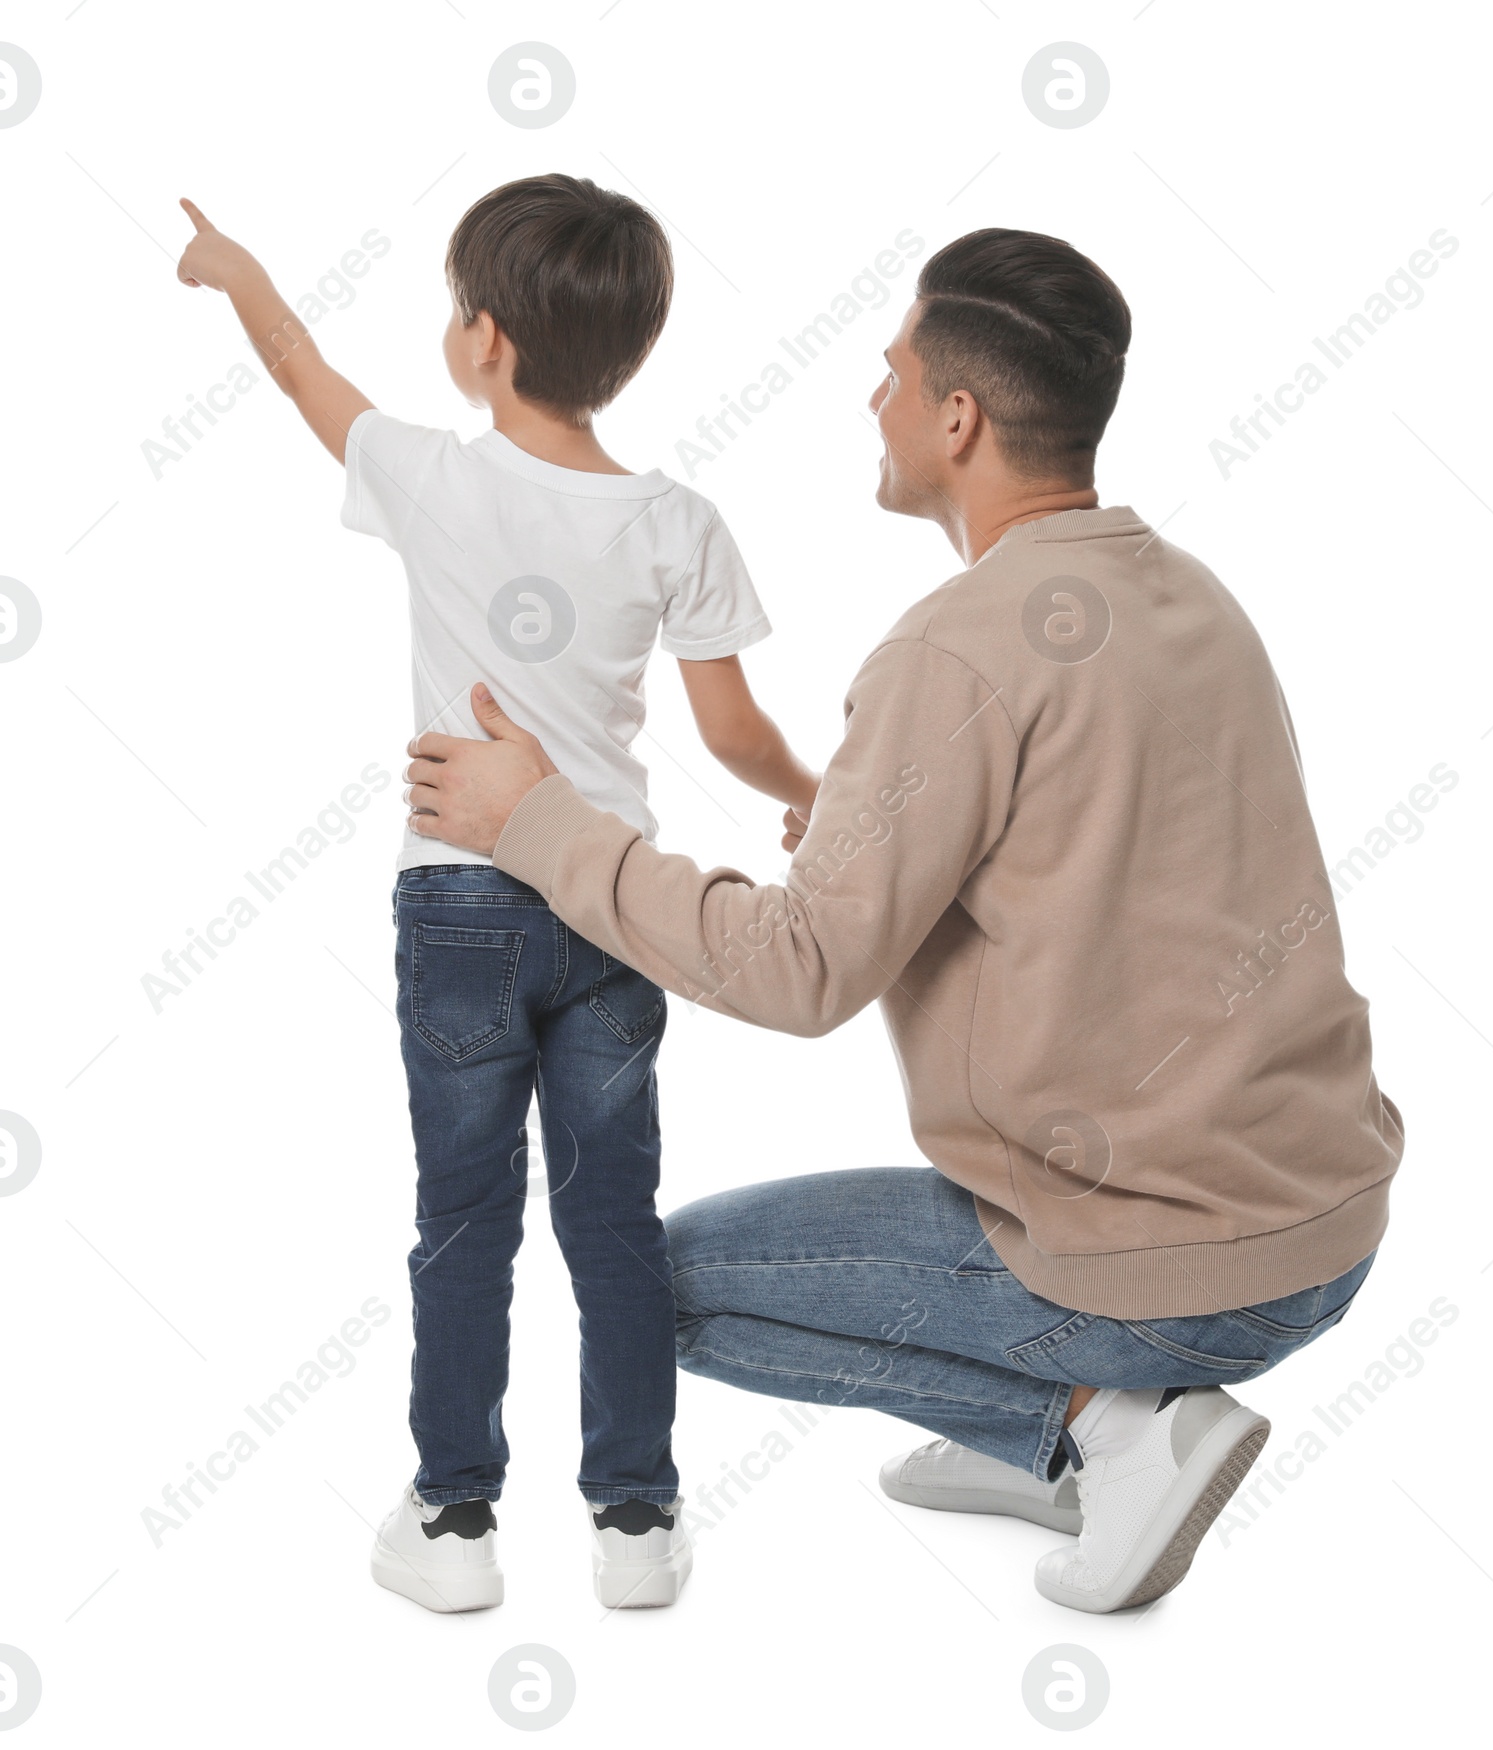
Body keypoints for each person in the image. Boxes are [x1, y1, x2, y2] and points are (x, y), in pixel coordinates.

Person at [404, 224, 1406, 1616]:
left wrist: (541, 822)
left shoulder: (959, 646)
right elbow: (1121, 870)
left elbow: (802, 969)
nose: (870, 399)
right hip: (1331, 1224)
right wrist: (887, 841)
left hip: (1159, 1259)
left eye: (889, 373)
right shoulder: (1194, 597)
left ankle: (1107, 1427)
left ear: (958, 416)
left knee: (650, 1285)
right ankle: (1067, 1433)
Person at [175, 175, 818, 1613]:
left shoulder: (431, 475)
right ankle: (637, 1522)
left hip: (461, 897)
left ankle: (455, 1521)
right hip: (612, 903)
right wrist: (816, 794)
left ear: (481, 343)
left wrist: (239, 268)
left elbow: (299, 371)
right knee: (615, 1219)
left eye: (456, 309)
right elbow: (731, 735)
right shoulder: (677, 519)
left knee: (463, 1218)